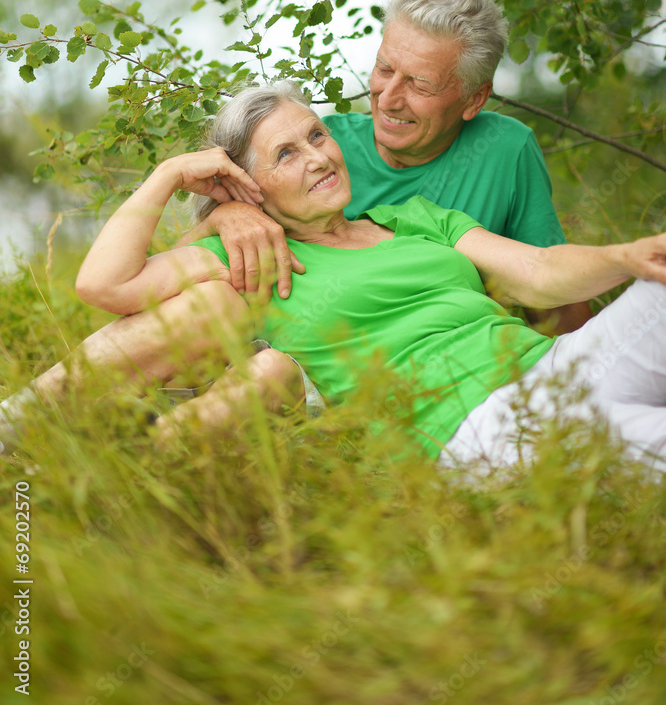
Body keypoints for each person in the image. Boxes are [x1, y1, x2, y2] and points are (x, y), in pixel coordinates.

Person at [3, 82, 665, 472]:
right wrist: (170, 174)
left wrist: (627, 255)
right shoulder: (255, 263)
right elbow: (104, 286)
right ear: (248, 186)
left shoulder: (413, 218)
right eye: (286, 154)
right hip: (475, 428)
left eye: (317, 136)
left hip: (558, 367)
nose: (319, 157)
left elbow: (541, 272)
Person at [186, 0, 590, 333]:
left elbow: (551, 295)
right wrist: (221, 216)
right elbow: (176, 275)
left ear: (474, 99)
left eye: (420, 85)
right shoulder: (320, 150)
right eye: (384, 69)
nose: (389, 99)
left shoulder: (505, 149)